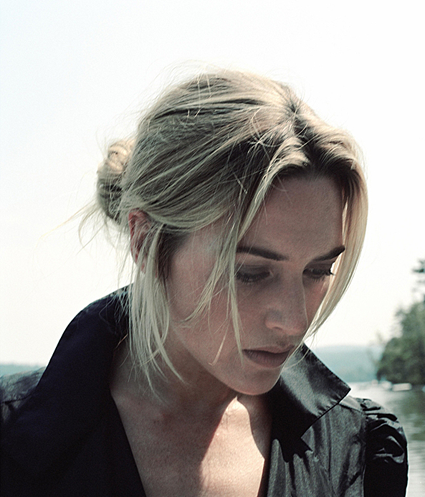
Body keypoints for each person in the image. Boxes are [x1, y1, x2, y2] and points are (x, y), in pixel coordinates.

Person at [0, 69, 408, 496]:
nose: (294, 321)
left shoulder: (357, 450)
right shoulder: (12, 444)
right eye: (250, 273)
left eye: (318, 271)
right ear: (145, 242)